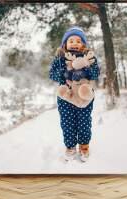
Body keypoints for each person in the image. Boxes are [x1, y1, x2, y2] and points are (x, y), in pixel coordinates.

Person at [49, 26, 100, 162]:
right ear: (65, 44)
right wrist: (63, 72)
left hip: (84, 96)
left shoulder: (89, 57)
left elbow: (96, 73)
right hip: (66, 96)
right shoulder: (59, 58)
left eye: (78, 41)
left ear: (83, 44)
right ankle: (70, 147)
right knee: (67, 122)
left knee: (84, 121)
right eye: (71, 40)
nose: (75, 43)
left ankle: (84, 146)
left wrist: (85, 69)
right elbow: (52, 74)